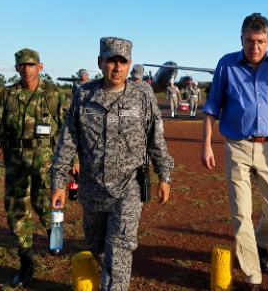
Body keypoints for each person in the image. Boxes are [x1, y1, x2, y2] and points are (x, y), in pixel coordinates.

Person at [48, 37, 174, 291]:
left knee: (118, 250)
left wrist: (164, 174)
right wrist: (58, 182)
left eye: (123, 62)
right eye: (111, 61)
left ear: (129, 65)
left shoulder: (142, 95)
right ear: (100, 62)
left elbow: (155, 137)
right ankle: (114, 277)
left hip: (129, 188)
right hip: (92, 187)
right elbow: (68, 139)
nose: (117, 67)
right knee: (97, 245)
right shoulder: (84, 95)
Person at [201, 13, 268, 290]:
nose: (254, 47)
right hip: (237, 147)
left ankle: (259, 243)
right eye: (249, 41)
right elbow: (212, 108)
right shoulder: (226, 65)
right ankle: (252, 275)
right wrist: (207, 144)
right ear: (241, 40)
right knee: (241, 213)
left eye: (260, 41)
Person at [0, 48, 71, 287]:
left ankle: (55, 235)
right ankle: (26, 263)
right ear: (16, 68)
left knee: (46, 207)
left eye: (31, 65)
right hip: (15, 166)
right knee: (17, 213)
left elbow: (70, 132)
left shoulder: (54, 95)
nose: (26, 69)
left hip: (46, 165)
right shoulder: (8, 95)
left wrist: (75, 161)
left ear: (40, 67)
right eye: (22, 65)